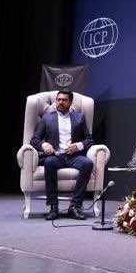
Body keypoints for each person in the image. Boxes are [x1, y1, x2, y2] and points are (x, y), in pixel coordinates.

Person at [30, 90, 94, 221]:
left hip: (73, 156)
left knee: (87, 164)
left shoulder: (79, 118)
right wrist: (44, 145)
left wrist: (78, 146)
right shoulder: (47, 118)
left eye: (64, 100)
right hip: (56, 156)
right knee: (49, 163)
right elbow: (34, 140)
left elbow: (89, 140)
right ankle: (53, 207)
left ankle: (75, 206)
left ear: (70, 102)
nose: (60, 102)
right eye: (58, 99)